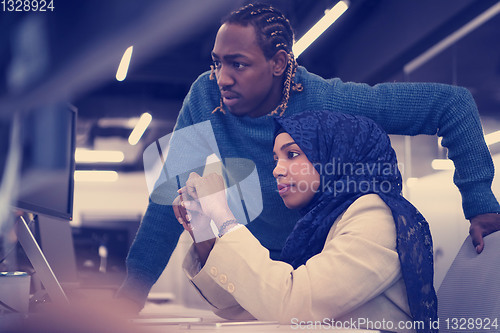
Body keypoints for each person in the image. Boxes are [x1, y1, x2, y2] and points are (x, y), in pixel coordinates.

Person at [116, 3, 500, 310]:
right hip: (260, 263)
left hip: (325, 264)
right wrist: (130, 296)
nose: (222, 78)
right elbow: (170, 198)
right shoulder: (207, 96)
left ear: (279, 63)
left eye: (238, 64)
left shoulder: (326, 101)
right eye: (216, 63)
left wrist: (479, 200)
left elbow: (451, 105)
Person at [175, 110, 436, 333]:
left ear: (335, 157)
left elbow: (291, 305)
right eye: (276, 158)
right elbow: (251, 305)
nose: (276, 169)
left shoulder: (375, 213)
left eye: (292, 154)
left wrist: (222, 215)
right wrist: (200, 229)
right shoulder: (319, 223)